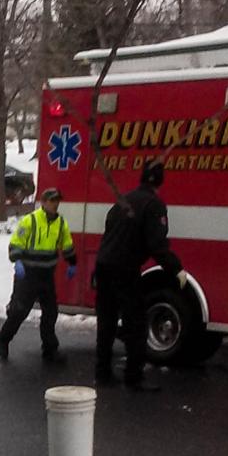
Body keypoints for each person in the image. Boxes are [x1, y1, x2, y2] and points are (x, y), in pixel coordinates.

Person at [94, 158, 185, 391]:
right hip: (125, 269)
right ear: (160, 180)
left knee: (107, 322)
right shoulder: (154, 205)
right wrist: (176, 269)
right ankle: (133, 377)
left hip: (104, 267)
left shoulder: (123, 201)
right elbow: (157, 245)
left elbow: (108, 236)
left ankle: (102, 372)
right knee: (136, 324)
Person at [0, 187, 78, 363]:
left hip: (46, 275)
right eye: (52, 200)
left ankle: (50, 349)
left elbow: (67, 244)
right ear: (43, 202)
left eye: (57, 201)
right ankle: (3, 339)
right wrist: (17, 261)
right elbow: (16, 243)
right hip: (28, 274)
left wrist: (72, 262)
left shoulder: (60, 223)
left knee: (51, 313)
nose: (55, 204)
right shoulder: (30, 221)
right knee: (19, 311)